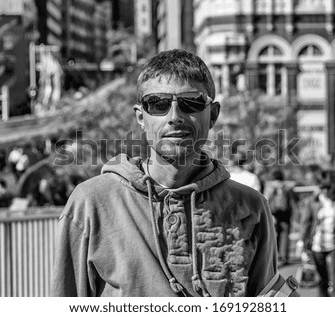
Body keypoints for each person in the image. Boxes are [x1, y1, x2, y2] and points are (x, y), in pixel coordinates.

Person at [52, 49, 291, 297]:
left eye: (191, 102)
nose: (175, 117)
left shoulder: (251, 207)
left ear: (213, 115)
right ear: (141, 117)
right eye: (158, 104)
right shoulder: (91, 203)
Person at [299, 171, 335, 297]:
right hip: (318, 243)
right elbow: (305, 223)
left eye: (328, 188)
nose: (325, 191)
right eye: (323, 188)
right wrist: (302, 243)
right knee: (321, 276)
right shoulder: (313, 201)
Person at [264, 169, 293, 266]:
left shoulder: (269, 186)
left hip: (273, 213)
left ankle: (274, 257)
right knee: (284, 233)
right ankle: (284, 257)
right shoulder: (286, 186)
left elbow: (265, 199)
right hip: (285, 213)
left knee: (273, 234)